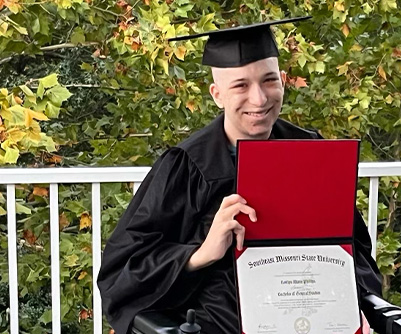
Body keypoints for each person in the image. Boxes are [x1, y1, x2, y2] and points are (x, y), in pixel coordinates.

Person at [97, 17, 382, 334]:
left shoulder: (312, 152)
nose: (259, 99)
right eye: (240, 85)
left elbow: (355, 251)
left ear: (283, 81)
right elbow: (121, 273)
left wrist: (356, 303)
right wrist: (199, 253)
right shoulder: (187, 166)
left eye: (269, 81)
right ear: (217, 94)